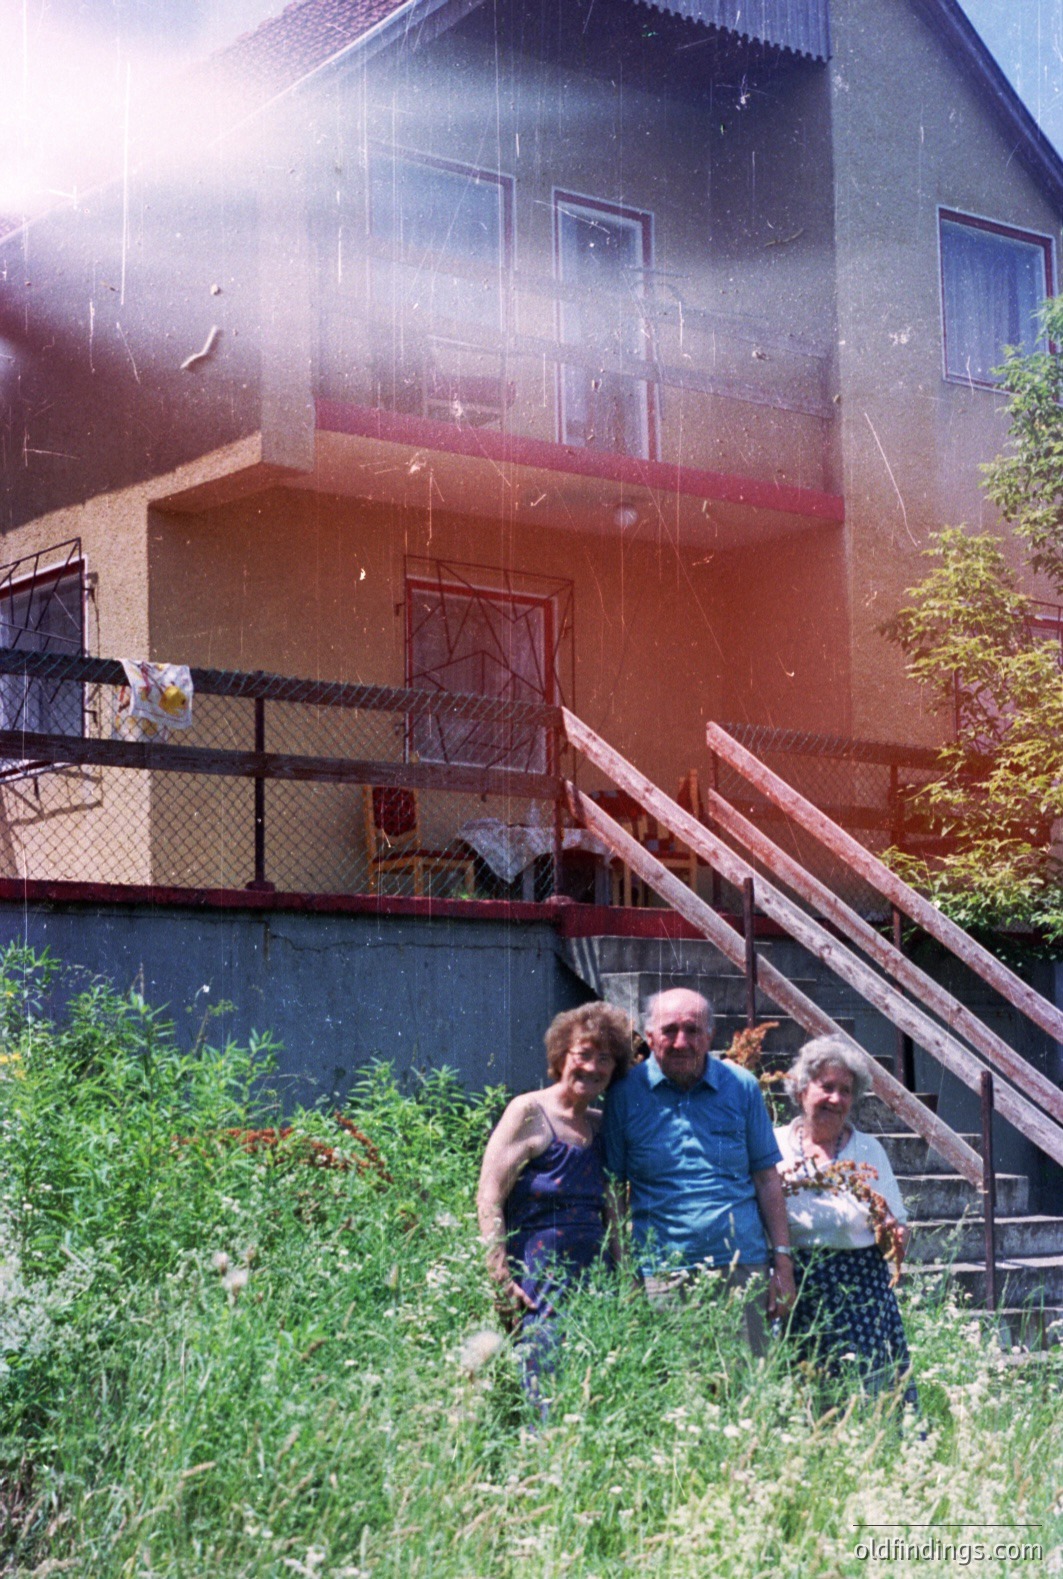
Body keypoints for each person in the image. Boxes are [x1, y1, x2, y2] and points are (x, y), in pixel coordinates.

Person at [602, 987, 795, 1351]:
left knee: (745, 1391)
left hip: (742, 1270)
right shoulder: (625, 1094)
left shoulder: (741, 1087)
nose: (681, 1042)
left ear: (709, 1036)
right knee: (674, 1395)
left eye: (692, 1031)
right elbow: (613, 1190)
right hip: (661, 1275)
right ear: (649, 1036)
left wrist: (782, 1263)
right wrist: (626, 1272)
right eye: (669, 1030)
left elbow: (767, 1179)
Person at [476, 1001, 633, 1404]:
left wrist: (625, 1275)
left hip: (595, 1276)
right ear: (562, 1055)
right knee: (540, 1374)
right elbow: (490, 1194)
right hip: (537, 1275)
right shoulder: (530, 1112)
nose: (593, 1068)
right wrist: (499, 1275)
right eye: (584, 1055)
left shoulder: (601, 1123)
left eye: (605, 1059)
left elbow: (613, 1209)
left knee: (589, 1380)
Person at [775, 1034, 917, 1406]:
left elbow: (897, 1223)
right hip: (793, 1281)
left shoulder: (868, 1150)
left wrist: (895, 1233)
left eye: (846, 1090)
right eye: (827, 1087)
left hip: (860, 1290)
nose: (836, 1099)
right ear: (803, 1088)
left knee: (867, 1393)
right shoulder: (773, 1144)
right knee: (797, 1394)